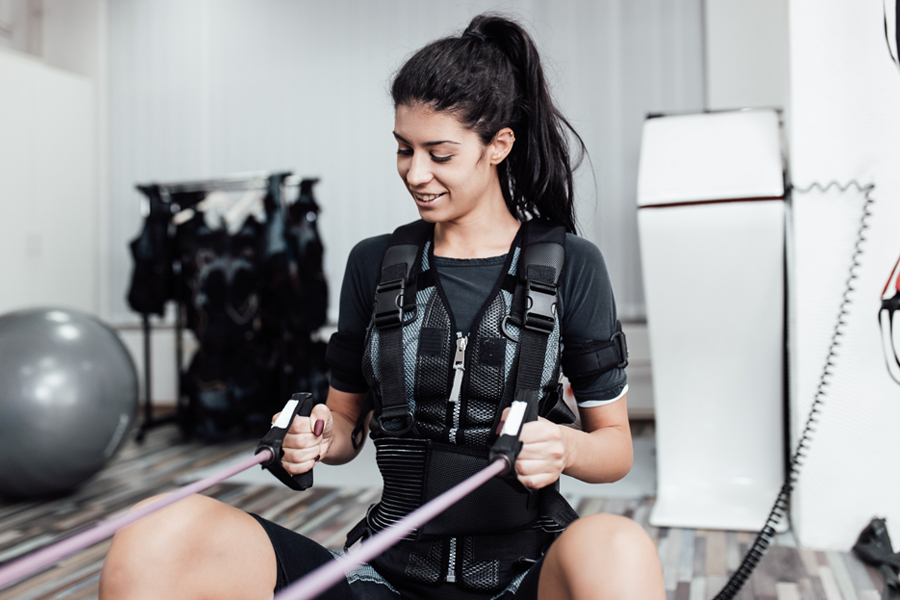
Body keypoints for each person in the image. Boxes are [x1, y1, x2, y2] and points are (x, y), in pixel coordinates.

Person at [99, 13, 665, 600]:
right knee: (154, 532)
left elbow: (615, 448)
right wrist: (316, 436)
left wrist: (566, 446)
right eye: (403, 149)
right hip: (385, 577)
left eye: (439, 154)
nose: (415, 173)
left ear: (498, 145)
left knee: (618, 547)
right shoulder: (375, 264)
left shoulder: (572, 265)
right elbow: (346, 427)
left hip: (519, 578)